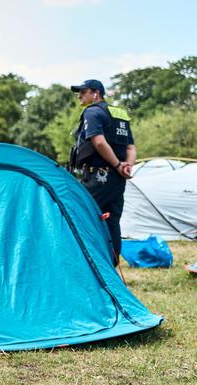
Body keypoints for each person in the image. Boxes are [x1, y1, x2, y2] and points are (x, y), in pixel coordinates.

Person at [69, 79, 136, 265]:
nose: (79, 96)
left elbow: (98, 142)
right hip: (117, 179)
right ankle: (111, 267)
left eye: (83, 92)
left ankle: (86, 265)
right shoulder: (120, 114)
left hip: (99, 176)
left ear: (95, 93)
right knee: (112, 221)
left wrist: (118, 165)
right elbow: (130, 147)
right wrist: (126, 166)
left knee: (80, 214)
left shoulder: (92, 112)